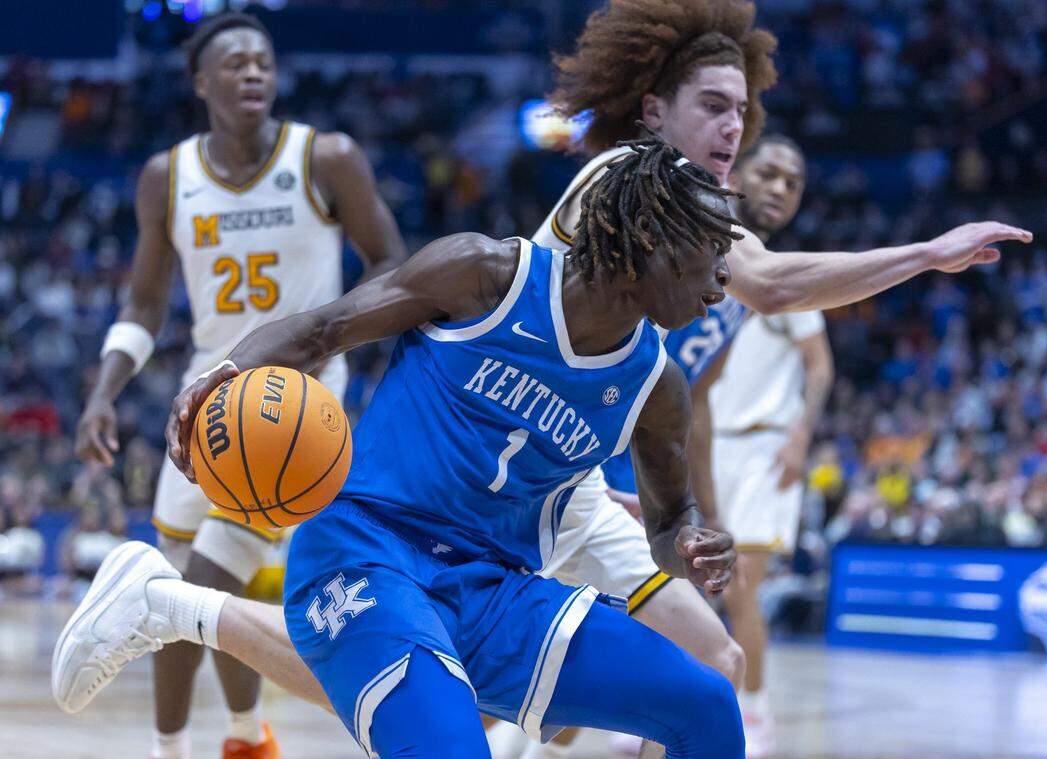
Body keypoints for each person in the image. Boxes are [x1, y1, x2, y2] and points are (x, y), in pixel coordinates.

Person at [57, 137, 748, 758]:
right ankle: (170, 605)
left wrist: (689, 541)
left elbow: (668, 520)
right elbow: (324, 328)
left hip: (495, 589)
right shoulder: (486, 275)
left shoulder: (656, 387)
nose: (723, 279)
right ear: (651, 236)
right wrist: (224, 372)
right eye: (713, 250)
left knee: (708, 705)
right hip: (364, 548)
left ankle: (175, 605)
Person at [508, 1, 1029, 755]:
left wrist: (673, 507)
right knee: (534, 708)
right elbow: (774, 282)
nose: (732, 127)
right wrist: (927, 252)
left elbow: (694, 396)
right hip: (501, 451)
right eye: (713, 107)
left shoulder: (703, 243)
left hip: (574, 471)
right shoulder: (626, 176)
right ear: (654, 112)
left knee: (708, 665)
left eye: (741, 112)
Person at [70, 12, 406, 759]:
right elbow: (146, 304)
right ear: (201, 83)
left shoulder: (327, 157)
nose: (254, 72)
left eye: (264, 61)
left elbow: (391, 263)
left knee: (201, 582)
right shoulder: (168, 176)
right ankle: (238, 737)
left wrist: (330, 336)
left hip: (293, 401)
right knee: (170, 587)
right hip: (206, 394)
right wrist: (102, 391)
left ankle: (202, 745)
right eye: (235, 64)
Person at [714, 134, 832, 755]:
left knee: (740, 589)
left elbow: (820, 367)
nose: (781, 188)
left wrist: (799, 438)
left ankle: (755, 712)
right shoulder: (703, 260)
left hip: (762, 449)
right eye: (770, 173)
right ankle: (668, 712)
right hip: (701, 448)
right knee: (673, 587)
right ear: (736, 175)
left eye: (794, 182)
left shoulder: (788, 280)